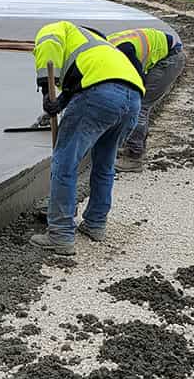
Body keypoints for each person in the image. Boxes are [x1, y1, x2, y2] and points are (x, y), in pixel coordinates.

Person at [31, 20, 144, 257]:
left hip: (100, 94)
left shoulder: (55, 29)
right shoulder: (98, 45)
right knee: (104, 163)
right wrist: (60, 101)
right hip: (133, 99)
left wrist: (46, 91)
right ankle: (95, 223)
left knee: (64, 162)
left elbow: (49, 49)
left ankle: (60, 234)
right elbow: (82, 80)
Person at [107, 24, 187, 169]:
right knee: (131, 102)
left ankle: (134, 156)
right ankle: (130, 144)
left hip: (169, 59)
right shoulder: (105, 46)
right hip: (164, 51)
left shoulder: (120, 51)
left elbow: (138, 78)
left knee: (139, 105)